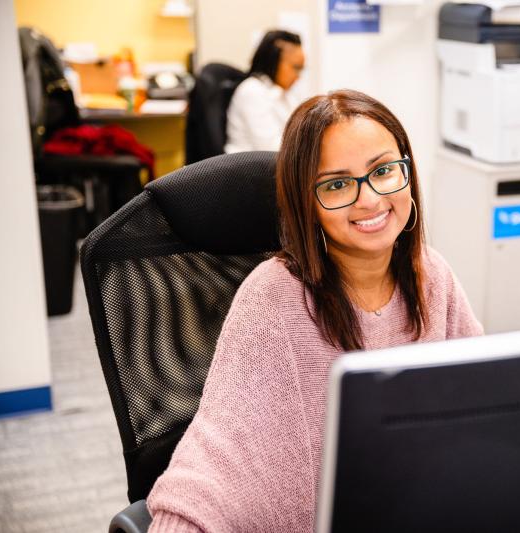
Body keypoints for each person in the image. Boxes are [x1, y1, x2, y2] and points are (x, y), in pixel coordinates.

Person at [146, 89, 483, 532]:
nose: (369, 199)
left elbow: (487, 406)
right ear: (308, 203)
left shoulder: (430, 275)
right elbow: (213, 464)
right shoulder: (272, 299)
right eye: (338, 184)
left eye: (383, 170)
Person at [224, 29, 304, 153]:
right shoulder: (252, 91)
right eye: (295, 68)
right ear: (274, 62)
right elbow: (271, 148)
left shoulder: (285, 93)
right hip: (247, 169)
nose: (298, 76)